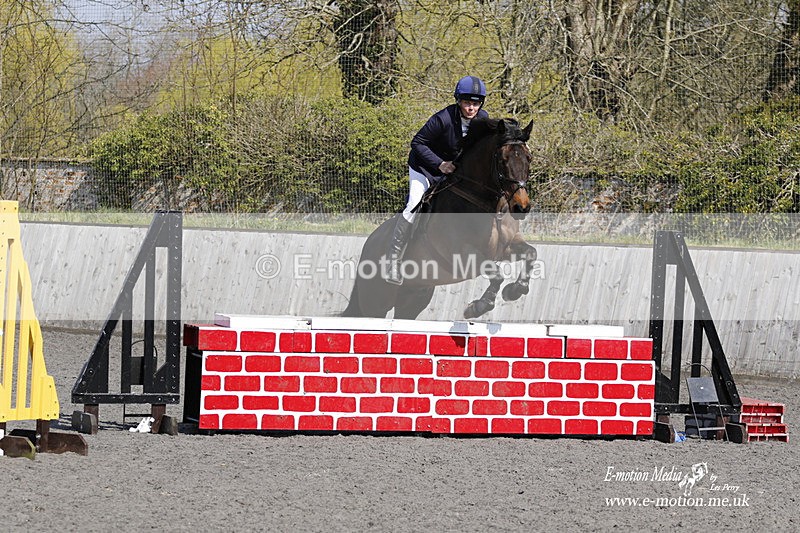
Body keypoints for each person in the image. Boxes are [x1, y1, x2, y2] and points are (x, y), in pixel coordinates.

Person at [385, 75, 489, 285]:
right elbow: (418, 143)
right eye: (467, 102)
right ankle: (393, 261)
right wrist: (440, 164)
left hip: (451, 172)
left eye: (475, 103)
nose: (471, 108)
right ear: (458, 101)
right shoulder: (443, 118)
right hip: (424, 168)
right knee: (413, 205)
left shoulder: (483, 120)